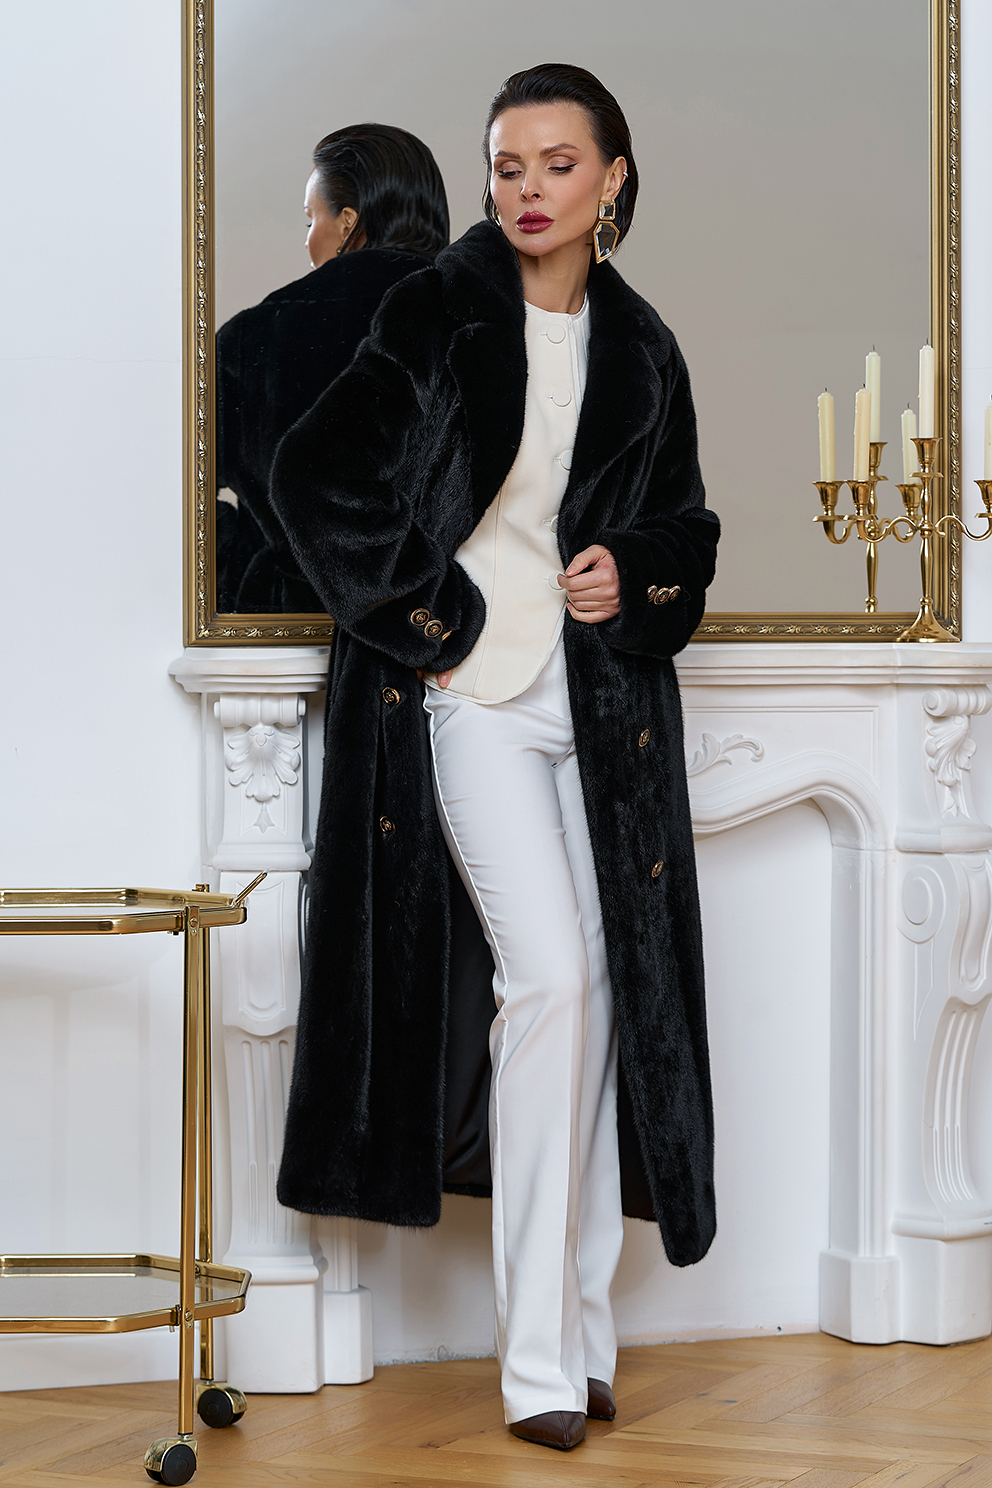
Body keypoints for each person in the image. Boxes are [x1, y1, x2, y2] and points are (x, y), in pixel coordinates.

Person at [271, 64, 721, 1451]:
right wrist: (437, 622)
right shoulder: (435, 306)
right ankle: (534, 1365)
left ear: (612, 180)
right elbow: (314, 478)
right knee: (553, 982)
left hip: (600, 712)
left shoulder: (643, 345)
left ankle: (580, 1333)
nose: (528, 190)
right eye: (507, 165)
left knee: (594, 1005)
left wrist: (631, 570)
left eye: (556, 165)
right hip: (470, 696)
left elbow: (688, 530)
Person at [214, 123, 449, 612]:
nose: (307, 240)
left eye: (310, 220)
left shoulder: (249, 339)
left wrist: (245, 570)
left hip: (289, 629)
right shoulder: (483, 319)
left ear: (347, 222)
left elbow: (185, 500)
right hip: (444, 623)